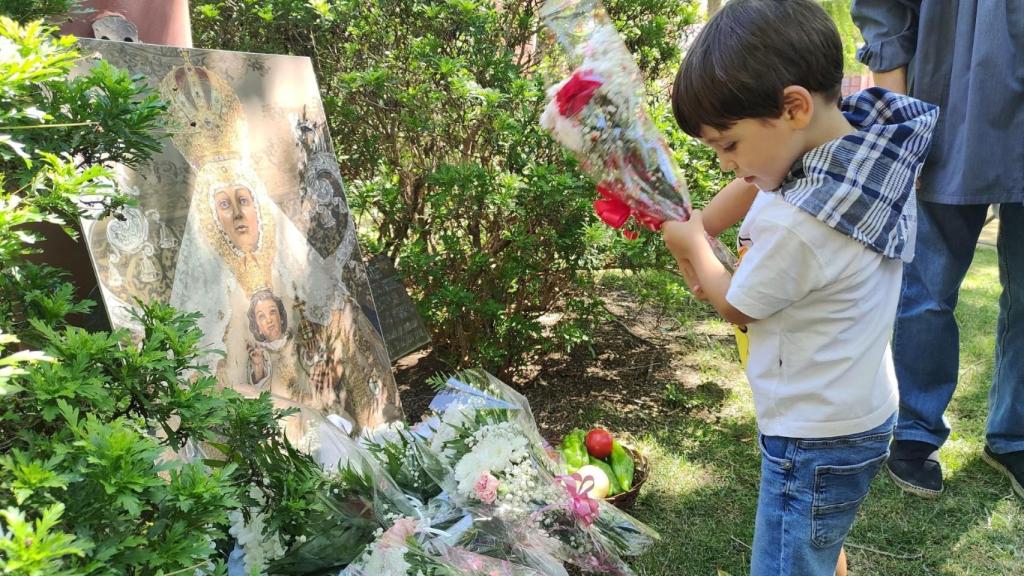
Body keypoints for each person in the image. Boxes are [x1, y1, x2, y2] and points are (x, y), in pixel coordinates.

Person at [662, 1, 939, 573]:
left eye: (728, 145)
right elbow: (756, 184)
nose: (725, 165)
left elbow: (738, 306)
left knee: (788, 560)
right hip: (855, 411)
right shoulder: (852, 150)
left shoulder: (806, 224)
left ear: (793, 107)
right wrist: (700, 223)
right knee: (815, 541)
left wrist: (691, 244)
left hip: (812, 436)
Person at [852, 0, 1024, 500]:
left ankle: (1014, 435)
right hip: (949, 106)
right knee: (928, 291)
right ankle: (916, 432)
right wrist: (900, 128)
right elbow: (885, 13)